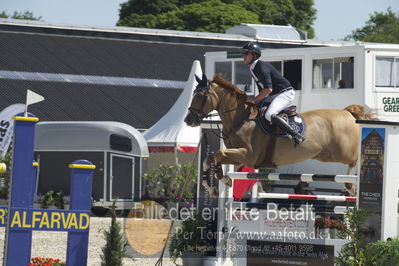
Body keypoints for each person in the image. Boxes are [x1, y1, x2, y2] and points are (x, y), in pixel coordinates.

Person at [242, 42, 305, 145]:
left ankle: (296, 135)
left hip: (285, 94)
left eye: (246, 53)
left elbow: (268, 89)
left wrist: (253, 100)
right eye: (243, 53)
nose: (243, 56)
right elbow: (263, 90)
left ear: (254, 55)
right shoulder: (253, 68)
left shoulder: (260, 66)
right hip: (275, 95)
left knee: (269, 114)